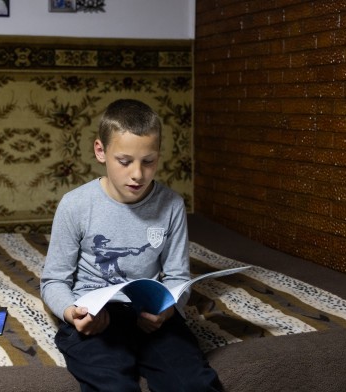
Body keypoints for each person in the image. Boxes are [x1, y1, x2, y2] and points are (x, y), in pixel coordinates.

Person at [40, 99, 223, 391]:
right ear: (101, 151)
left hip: (151, 318)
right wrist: (71, 312)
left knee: (195, 384)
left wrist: (169, 310)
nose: (138, 174)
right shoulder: (75, 205)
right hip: (97, 319)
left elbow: (177, 277)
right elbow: (53, 280)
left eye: (148, 161)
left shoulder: (172, 205)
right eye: (125, 161)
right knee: (114, 386)